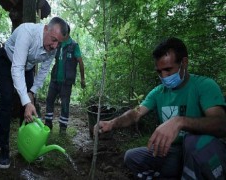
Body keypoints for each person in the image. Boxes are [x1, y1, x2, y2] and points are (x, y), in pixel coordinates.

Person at [95, 37, 226, 179]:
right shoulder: (158, 92)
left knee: (191, 141)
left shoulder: (204, 85)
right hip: (174, 152)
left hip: (202, 151)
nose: (164, 76)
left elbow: (221, 124)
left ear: (184, 63)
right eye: (159, 71)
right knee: (132, 157)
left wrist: (180, 121)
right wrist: (112, 123)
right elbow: (135, 114)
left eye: (168, 69)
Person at [0, 17, 68, 169]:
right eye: (53, 40)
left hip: (27, 67)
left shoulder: (53, 47)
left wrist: (32, 93)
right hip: (7, 61)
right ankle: (3, 148)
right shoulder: (26, 32)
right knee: (7, 100)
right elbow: (16, 68)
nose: (55, 46)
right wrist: (26, 100)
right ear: (45, 29)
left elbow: (43, 72)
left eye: (59, 43)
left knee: (29, 108)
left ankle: (29, 146)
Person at [44, 24, 86, 134]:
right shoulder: (58, 43)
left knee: (65, 104)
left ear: (66, 33)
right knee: (49, 100)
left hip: (66, 81)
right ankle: (48, 123)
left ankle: (63, 128)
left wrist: (82, 79)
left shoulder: (73, 45)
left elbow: (80, 62)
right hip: (54, 79)